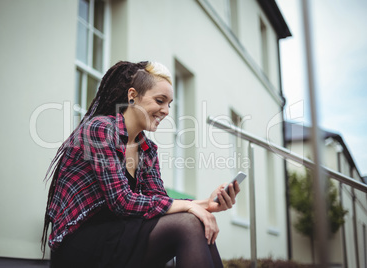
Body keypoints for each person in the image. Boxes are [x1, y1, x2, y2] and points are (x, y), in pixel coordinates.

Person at [41, 61, 240, 268]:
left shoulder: (147, 149)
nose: (166, 111)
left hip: (119, 235)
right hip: (80, 243)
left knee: (195, 221)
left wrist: (207, 204)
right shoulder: (100, 129)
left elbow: (159, 201)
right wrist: (192, 207)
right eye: (160, 100)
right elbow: (122, 201)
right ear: (133, 96)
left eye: (169, 104)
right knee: (189, 222)